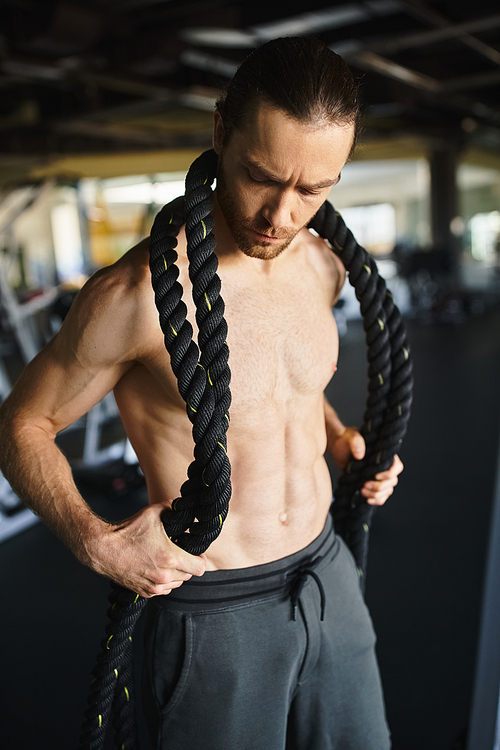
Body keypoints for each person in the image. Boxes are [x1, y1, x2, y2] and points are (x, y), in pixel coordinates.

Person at [0, 37, 403, 749]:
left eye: (312, 190)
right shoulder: (133, 297)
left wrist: (339, 441)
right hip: (215, 607)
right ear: (221, 131)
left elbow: (290, 393)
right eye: (260, 175)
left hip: (328, 571)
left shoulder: (320, 266)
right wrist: (95, 541)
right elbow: (22, 422)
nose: (280, 214)